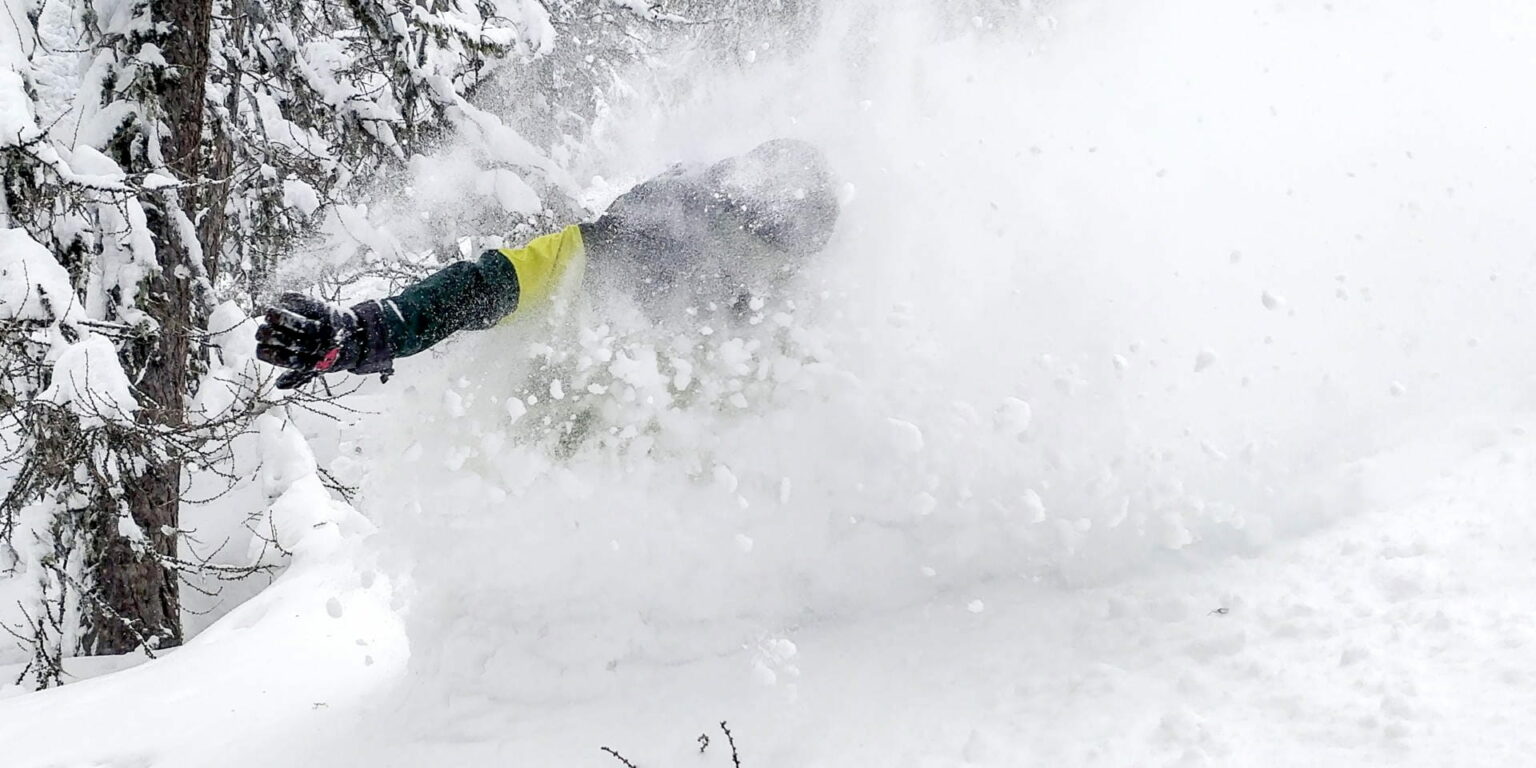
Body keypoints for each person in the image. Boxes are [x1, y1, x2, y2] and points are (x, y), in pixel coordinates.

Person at [256, 139, 840, 389]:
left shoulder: (790, 313)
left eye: (774, 261)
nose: (742, 279)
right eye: (740, 251)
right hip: (569, 476)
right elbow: (482, 286)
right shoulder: (620, 252)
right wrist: (369, 332)